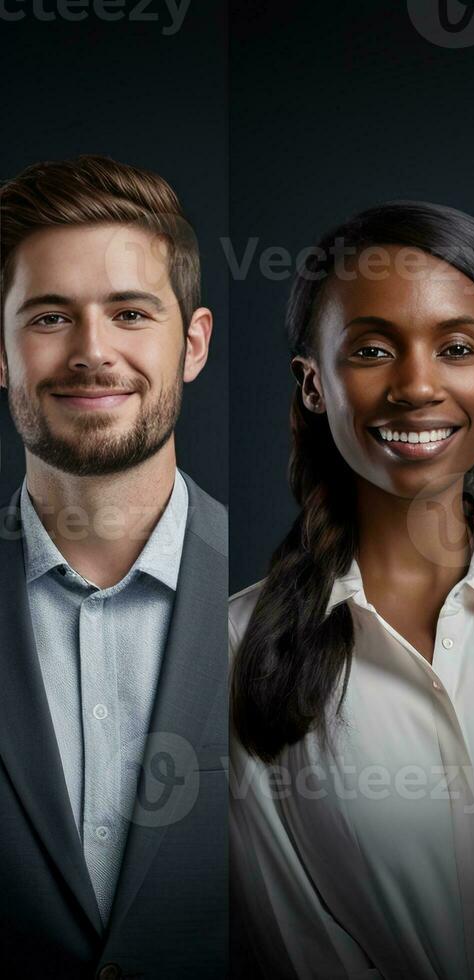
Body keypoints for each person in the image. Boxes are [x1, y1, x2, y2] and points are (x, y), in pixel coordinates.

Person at [228, 202, 474, 979]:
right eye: (373, 349)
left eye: (455, 347)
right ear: (313, 384)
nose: (416, 386)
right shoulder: (231, 652)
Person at [0, 154, 226, 978]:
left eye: (131, 313)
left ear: (192, 344)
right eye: (51, 318)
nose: (94, 353)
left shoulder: (294, 595)